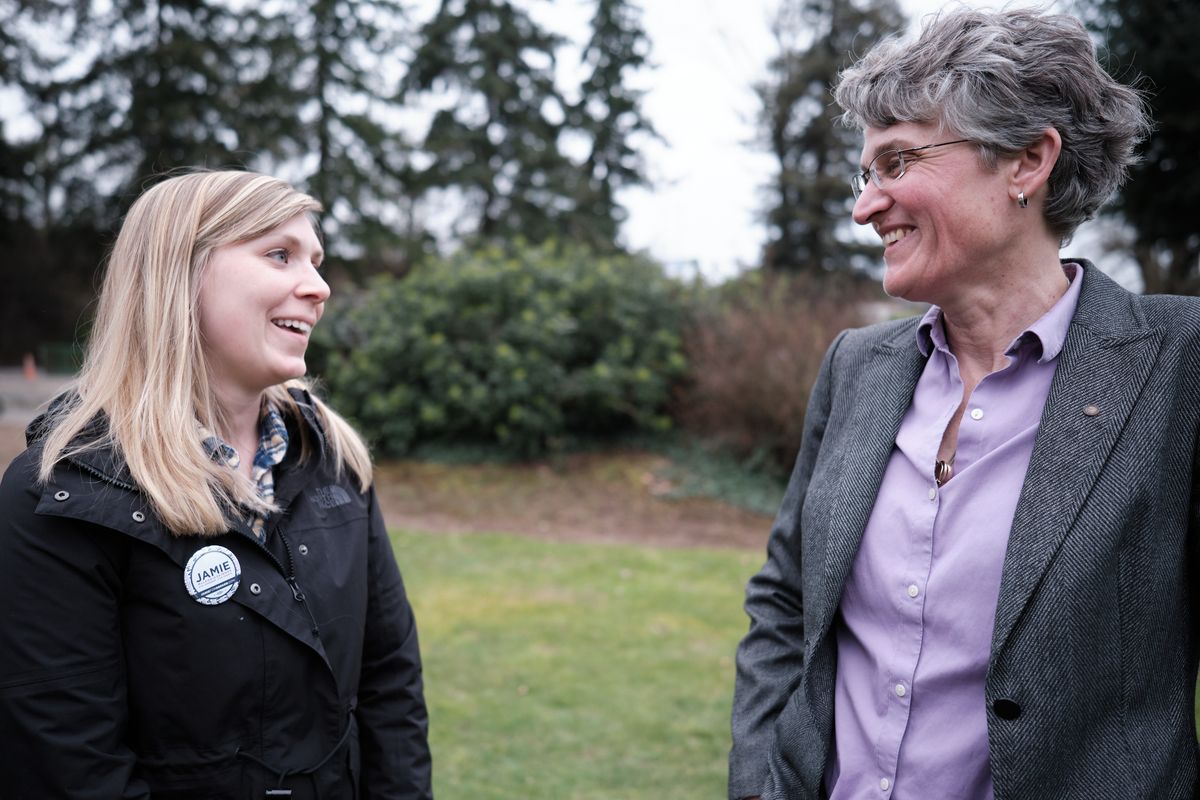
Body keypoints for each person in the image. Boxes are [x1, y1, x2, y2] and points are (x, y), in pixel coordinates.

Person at [730, 8, 1199, 800]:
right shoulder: (858, 368)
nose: (865, 206)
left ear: (1027, 160)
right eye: (866, 173)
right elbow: (785, 605)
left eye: (898, 162)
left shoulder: (1179, 366)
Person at [0, 170, 433, 798]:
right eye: (279, 255)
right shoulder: (58, 495)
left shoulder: (333, 459)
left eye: (316, 262)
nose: (318, 287)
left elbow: (391, 686)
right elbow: (68, 765)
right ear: (180, 274)